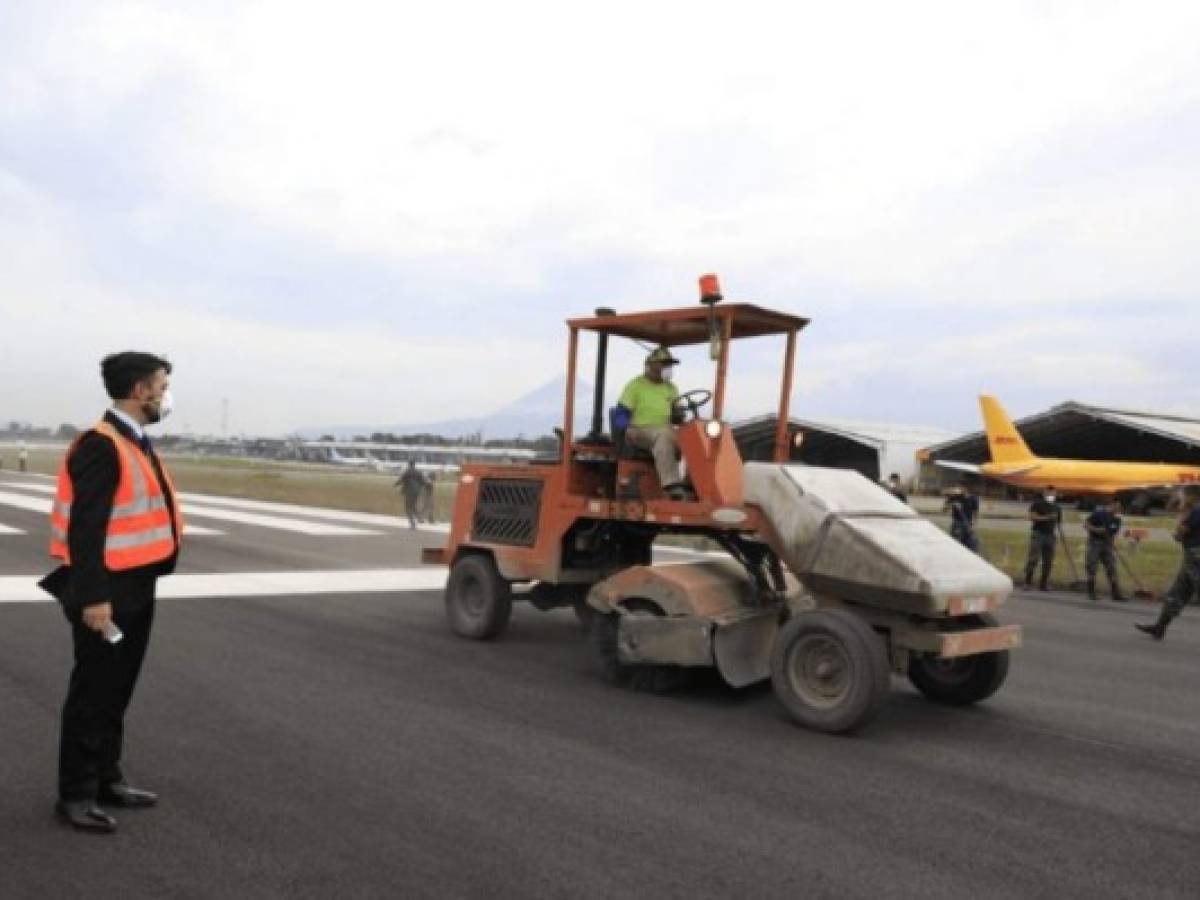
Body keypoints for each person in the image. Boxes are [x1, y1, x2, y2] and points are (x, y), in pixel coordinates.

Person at [39, 352, 181, 834]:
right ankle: (75, 795)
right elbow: (86, 528)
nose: (165, 394)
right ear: (140, 391)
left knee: (117, 691)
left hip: (136, 586)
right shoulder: (101, 445)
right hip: (107, 592)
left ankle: (106, 779)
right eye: (161, 386)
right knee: (92, 693)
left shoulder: (133, 441)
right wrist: (95, 598)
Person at [616, 346, 688, 500]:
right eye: (664, 364)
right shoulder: (635, 386)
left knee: (692, 439)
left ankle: (691, 482)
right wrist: (625, 428)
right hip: (639, 430)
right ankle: (671, 484)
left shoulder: (671, 388)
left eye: (669, 364)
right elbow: (621, 414)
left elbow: (679, 411)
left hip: (665, 429)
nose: (668, 368)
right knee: (663, 435)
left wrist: (679, 413)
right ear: (651, 365)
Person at [1135, 491, 1200, 640]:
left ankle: (1160, 627)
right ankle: (1160, 627)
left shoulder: (1196, 512)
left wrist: (1180, 524)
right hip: (1192, 556)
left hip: (1195, 556)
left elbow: (1181, 532)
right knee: (1178, 593)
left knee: (1183, 590)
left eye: (1184, 496)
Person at [1083, 498, 1126, 602]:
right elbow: (1086, 525)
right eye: (1117, 506)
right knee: (1092, 566)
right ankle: (1091, 592)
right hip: (1095, 543)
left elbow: (1114, 532)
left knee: (1111, 568)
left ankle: (1116, 593)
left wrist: (1110, 540)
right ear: (1112, 505)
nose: (1118, 509)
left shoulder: (1117, 519)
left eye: (1120, 507)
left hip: (1107, 545)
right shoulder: (1099, 514)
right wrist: (1096, 530)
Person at [1024, 485, 1062, 591]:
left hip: (1051, 535)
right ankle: (1027, 582)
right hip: (1039, 534)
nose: (1051, 495)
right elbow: (1033, 517)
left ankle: (1043, 583)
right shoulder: (1038, 504)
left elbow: (1058, 522)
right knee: (1033, 558)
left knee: (1048, 561)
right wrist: (1047, 517)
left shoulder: (1057, 507)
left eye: (1053, 493)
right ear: (1044, 493)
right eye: (1049, 493)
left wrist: (1058, 534)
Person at [944, 485, 980, 552]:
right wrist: (950, 504)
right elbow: (944, 510)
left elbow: (976, 513)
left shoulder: (974, 498)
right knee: (955, 542)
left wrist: (974, 525)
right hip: (957, 523)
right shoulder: (955, 497)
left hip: (968, 523)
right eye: (959, 488)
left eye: (961, 488)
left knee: (967, 543)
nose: (959, 489)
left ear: (967, 489)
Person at [395, 461, 429, 529]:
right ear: (414, 464)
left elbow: (401, 480)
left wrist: (395, 484)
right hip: (417, 492)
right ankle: (419, 518)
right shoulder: (419, 472)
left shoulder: (407, 472)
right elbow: (423, 482)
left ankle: (412, 523)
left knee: (408, 508)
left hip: (409, 492)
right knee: (413, 506)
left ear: (409, 464)